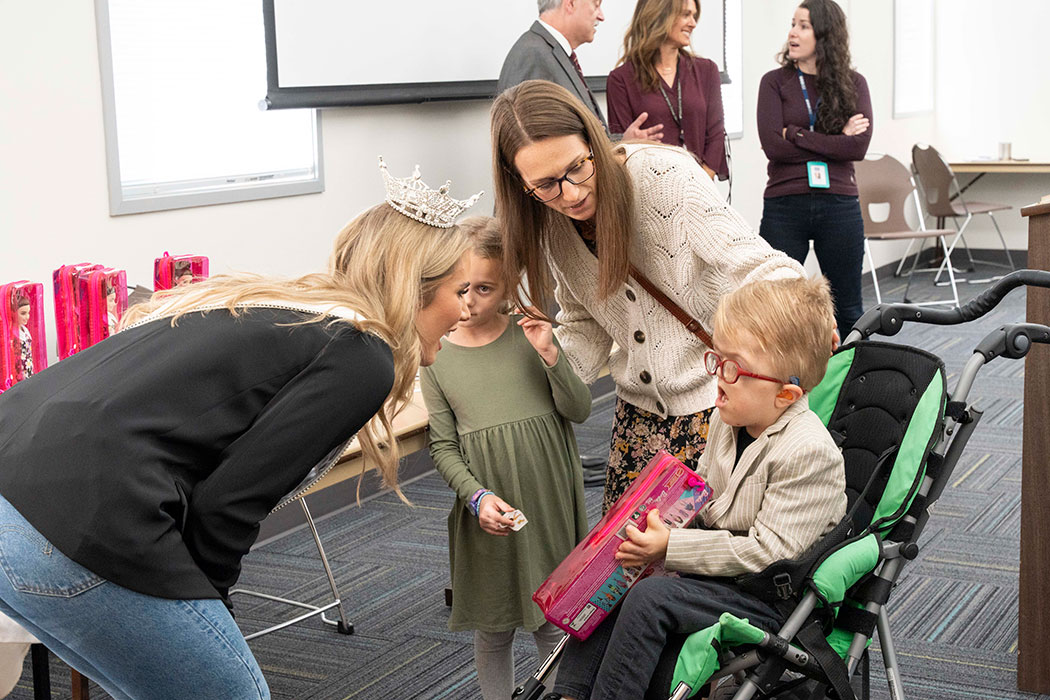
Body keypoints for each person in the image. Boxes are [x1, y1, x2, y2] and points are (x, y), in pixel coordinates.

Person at [0, 162, 480, 700]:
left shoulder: (285, 306)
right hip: (73, 522)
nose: (468, 308)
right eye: (461, 290)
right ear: (415, 288)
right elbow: (227, 506)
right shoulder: (362, 355)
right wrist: (214, 617)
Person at [491, 79, 805, 514]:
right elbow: (584, 321)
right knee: (623, 565)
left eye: (578, 168)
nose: (571, 193)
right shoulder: (547, 225)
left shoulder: (663, 177)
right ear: (520, 184)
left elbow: (753, 262)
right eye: (545, 185)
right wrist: (550, 372)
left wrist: (805, 308)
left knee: (697, 562)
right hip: (639, 419)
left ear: (593, 141)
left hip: (717, 402)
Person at [550, 276, 847, 699]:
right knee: (621, 573)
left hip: (770, 595)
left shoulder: (807, 452)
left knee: (650, 597)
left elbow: (769, 553)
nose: (718, 378)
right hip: (721, 576)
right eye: (717, 359)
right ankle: (570, 693)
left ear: (785, 394)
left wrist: (671, 547)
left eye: (733, 368)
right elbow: (705, 497)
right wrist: (657, 524)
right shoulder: (730, 423)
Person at [421, 216, 590, 700]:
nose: (470, 302)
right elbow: (443, 446)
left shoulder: (530, 335)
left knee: (552, 620)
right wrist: (476, 498)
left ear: (509, 284)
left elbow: (578, 410)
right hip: (488, 507)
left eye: (485, 288)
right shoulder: (435, 354)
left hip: (548, 498)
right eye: (460, 288)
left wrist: (550, 353)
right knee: (493, 626)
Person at [757, 0, 871, 335]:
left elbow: (858, 147)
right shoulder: (774, 82)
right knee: (772, 304)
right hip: (784, 203)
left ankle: (853, 383)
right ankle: (777, 384)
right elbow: (772, 146)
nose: (792, 32)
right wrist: (834, 139)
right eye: (793, 24)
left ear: (825, 35)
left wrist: (796, 134)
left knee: (848, 307)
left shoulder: (854, 84)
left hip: (839, 205)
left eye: (803, 26)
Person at [498, 0, 662, 142]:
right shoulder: (532, 55)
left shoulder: (553, 53)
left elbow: (573, 135)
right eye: (596, 5)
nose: (601, 16)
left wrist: (622, 141)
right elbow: (531, 144)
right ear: (570, 3)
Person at [606, 0, 728, 180]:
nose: (693, 23)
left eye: (694, 16)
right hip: (649, 190)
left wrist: (701, 182)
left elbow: (716, 133)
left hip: (701, 190)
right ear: (660, 15)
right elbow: (620, 150)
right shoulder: (620, 79)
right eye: (686, 15)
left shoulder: (707, 70)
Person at [10, 294, 33, 381]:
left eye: (28, 313)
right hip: (18, 374)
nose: (27, 317)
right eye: (23, 313)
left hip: (29, 369)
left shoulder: (25, 330)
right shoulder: (12, 333)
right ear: (13, 312)